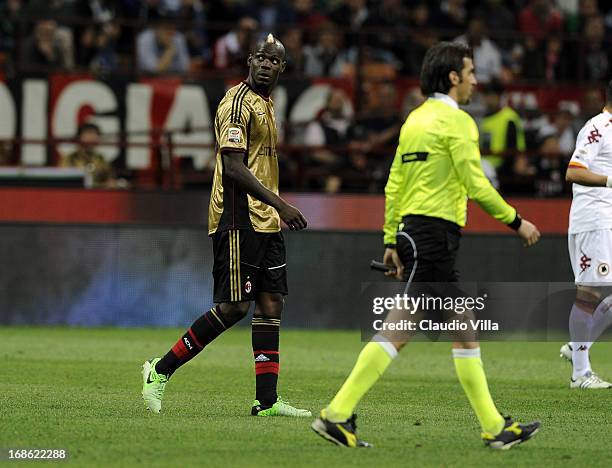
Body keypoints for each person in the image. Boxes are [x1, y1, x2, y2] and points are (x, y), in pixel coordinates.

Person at [311, 42, 541, 449]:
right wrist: (516, 221)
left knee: (454, 326)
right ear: (453, 77)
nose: (475, 79)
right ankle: (336, 413)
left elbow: (394, 184)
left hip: (414, 231)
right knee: (406, 328)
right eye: (470, 72)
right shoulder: (457, 122)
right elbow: (476, 184)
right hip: (434, 235)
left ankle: (492, 426)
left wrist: (390, 238)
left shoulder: (415, 120)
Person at [142, 34, 311, 417]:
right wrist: (280, 204)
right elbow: (233, 167)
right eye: (262, 58)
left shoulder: (267, 104)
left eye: (275, 60)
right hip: (238, 217)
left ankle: (266, 402)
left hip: (265, 221)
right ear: (250, 60)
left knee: (271, 302)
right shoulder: (235, 104)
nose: (267, 64)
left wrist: (274, 210)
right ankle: (159, 370)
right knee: (234, 307)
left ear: (282, 68)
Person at [560, 79, 612, 389]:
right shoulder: (598, 127)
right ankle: (580, 373)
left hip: (608, 221)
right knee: (590, 294)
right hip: (594, 221)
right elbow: (573, 171)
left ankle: (578, 346)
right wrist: (609, 181)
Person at [59, 122, 123, 189]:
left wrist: (111, 183)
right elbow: (64, 182)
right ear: (79, 137)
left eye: (95, 134)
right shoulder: (70, 159)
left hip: (97, 195)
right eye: (89, 133)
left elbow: (110, 179)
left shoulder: (101, 159)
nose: (92, 137)